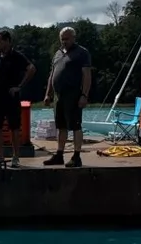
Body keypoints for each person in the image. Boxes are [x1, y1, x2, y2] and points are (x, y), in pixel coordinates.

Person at [0, 29, 35, 168]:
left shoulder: (17, 56)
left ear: (7, 41)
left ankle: (16, 157)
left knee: (14, 128)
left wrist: (20, 86)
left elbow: (31, 69)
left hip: (11, 97)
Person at [42, 27, 92, 168]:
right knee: (61, 126)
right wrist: (48, 94)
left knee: (75, 125)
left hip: (74, 93)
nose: (64, 42)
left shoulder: (82, 53)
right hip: (59, 95)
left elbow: (87, 75)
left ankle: (76, 156)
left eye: (67, 39)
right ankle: (59, 154)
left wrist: (84, 95)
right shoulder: (57, 53)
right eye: (62, 39)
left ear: (74, 38)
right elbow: (52, 75)